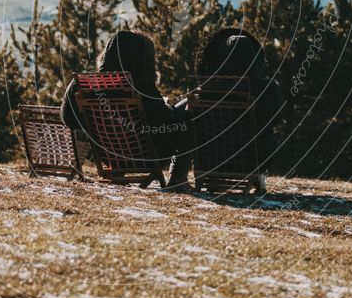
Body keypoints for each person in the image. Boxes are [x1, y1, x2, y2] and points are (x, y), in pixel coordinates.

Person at [60, 30, 192, 189]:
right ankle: (178, 177)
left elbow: (68, 118)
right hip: (145, 156)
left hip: (107, 155)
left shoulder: (82, 84)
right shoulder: (142, 86)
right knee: (188, 118)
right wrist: (173, 111)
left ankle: (118, 172)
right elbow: (163, 122)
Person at [194, 27, 282, 171]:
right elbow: (275, 119)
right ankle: (257, 178)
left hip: (212, 159)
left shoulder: (208, 89)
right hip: (251, 160)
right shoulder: (266, 88)